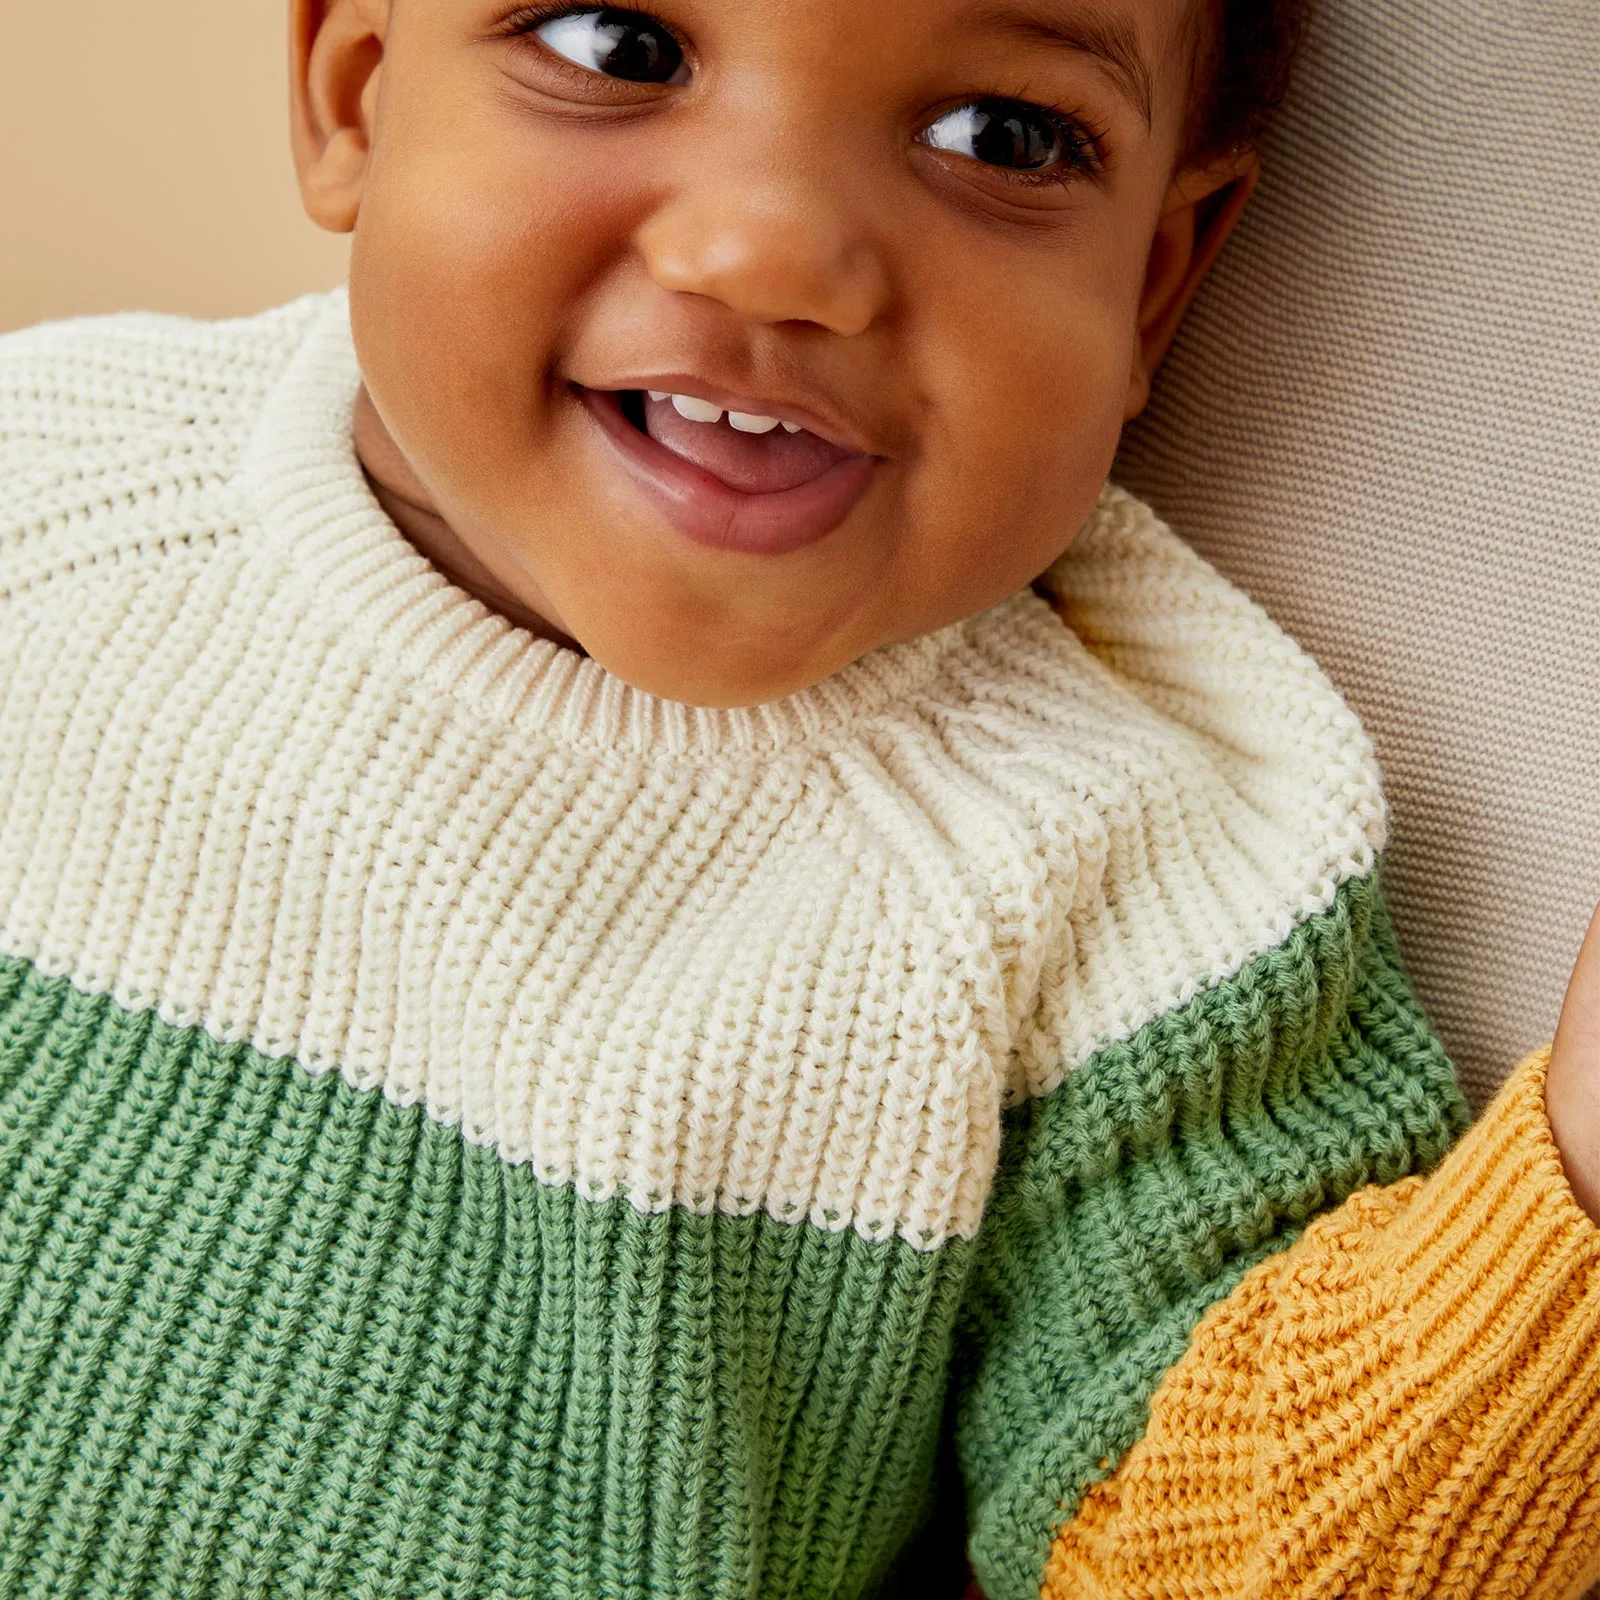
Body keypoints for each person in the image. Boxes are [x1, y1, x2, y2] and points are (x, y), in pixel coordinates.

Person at [0, 1, 1595, 1597]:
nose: (774, 253)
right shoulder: (38, 496)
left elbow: (1226, 1554)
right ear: (355, 89)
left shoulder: (1131, 861)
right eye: (621, 50)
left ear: (1157, 284)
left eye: (1002, 140)